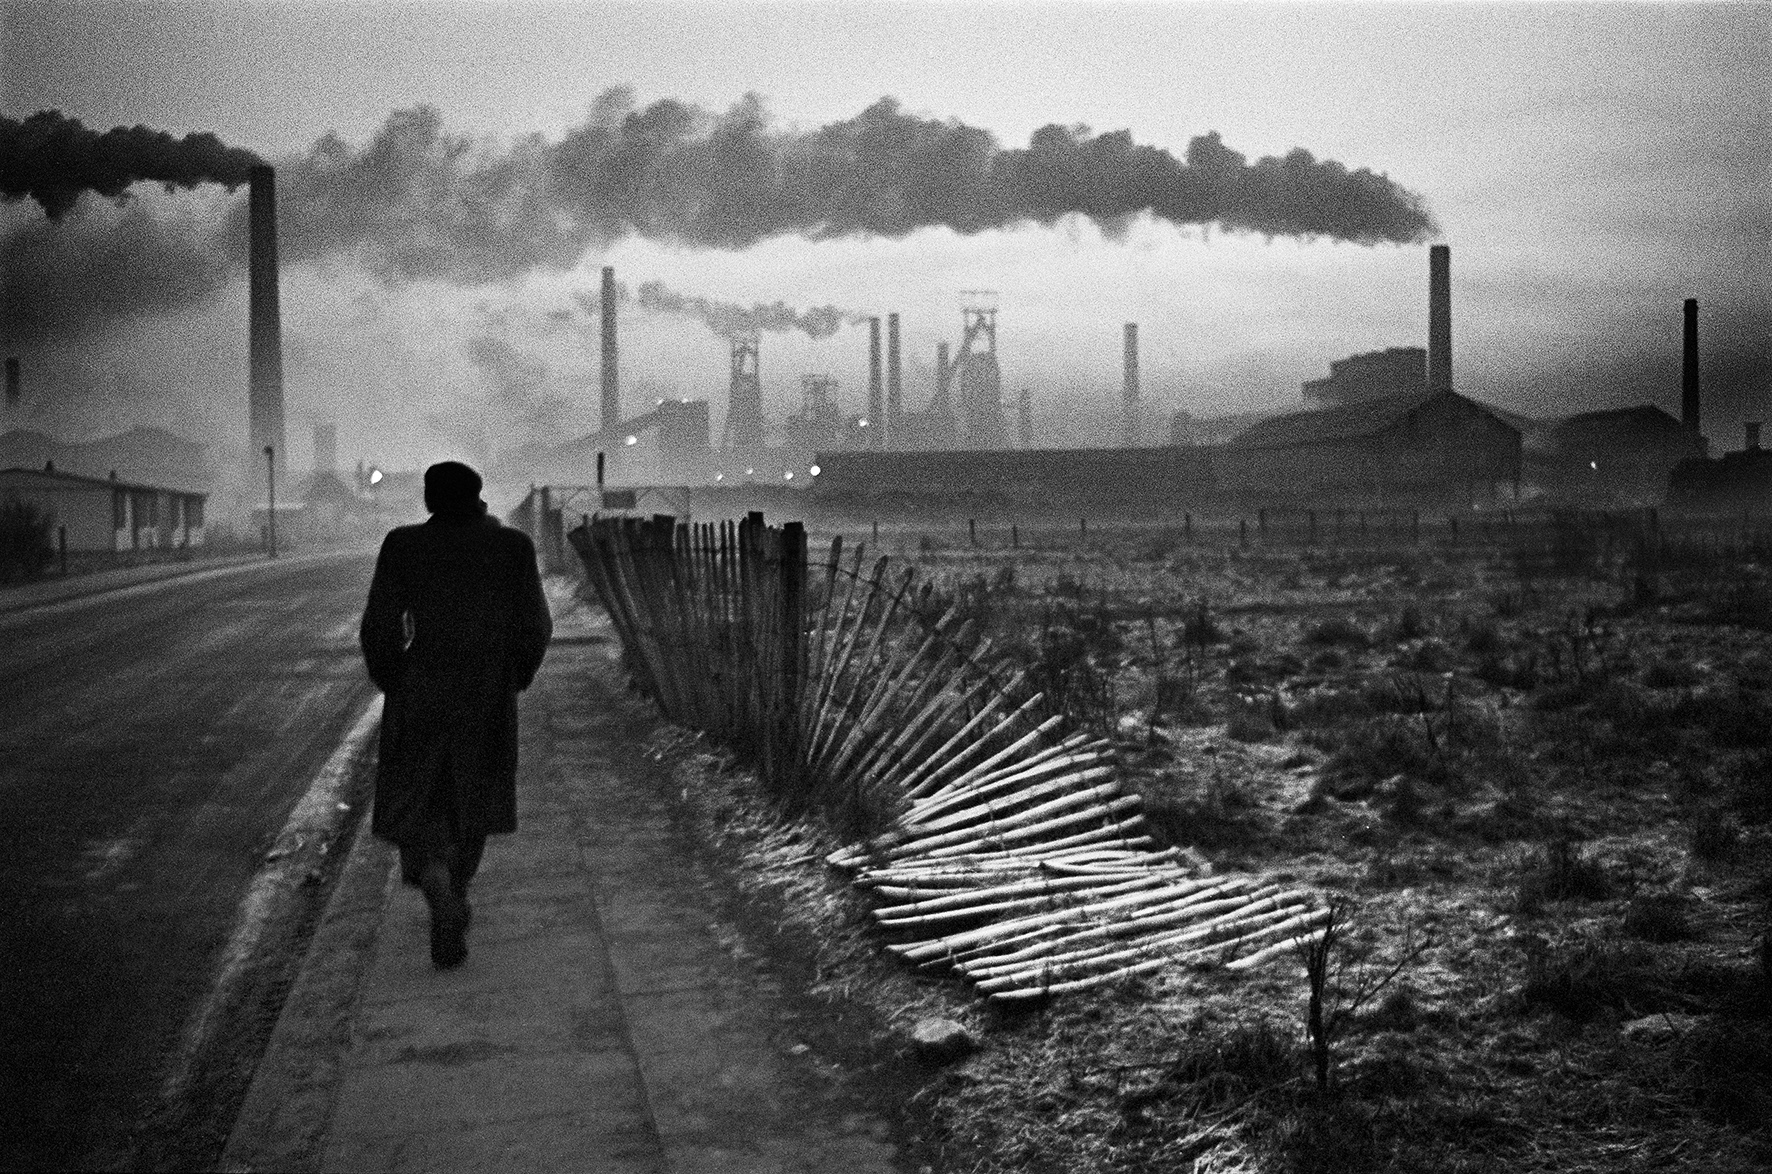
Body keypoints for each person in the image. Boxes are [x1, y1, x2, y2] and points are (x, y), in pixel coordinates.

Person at [359, 461, 552, 968]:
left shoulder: (403, 546)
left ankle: (438, 887)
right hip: (487, 691)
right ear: (478, 495)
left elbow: (378, 627)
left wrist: (395, 680)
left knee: (419, 799)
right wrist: (516, 676)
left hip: (421, 688)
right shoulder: (513, 548)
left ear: (429, 500)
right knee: (478, 796)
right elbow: (535, 624)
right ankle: (457, 888)